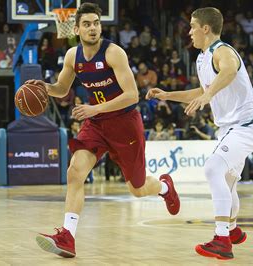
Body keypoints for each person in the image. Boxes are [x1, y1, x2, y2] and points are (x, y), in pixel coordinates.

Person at [26, 3, 180, 258]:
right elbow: (62, 89)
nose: (93, 28)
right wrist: (43, 87)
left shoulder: (114, 53)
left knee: (137, 189)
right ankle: (68, 236)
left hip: (125, 124)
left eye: (96, 23)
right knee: (75, 172)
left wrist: (95, 109)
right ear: (75, 29)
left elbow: (132, 96)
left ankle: (164, 187)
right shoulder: (73, 56)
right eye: (86, 24)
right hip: (96, 125)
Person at [146, 7, 253, 260]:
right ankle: (232, 231)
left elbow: (229, 71)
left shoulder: (222, 51)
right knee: (229, 182)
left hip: (245, 126)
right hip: (229, 129)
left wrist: (208, 95)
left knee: (212, 169)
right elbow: (200, 91)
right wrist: (167, 95)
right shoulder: (202, 58)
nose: (189, 32)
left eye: (192, 26)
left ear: (206, 29)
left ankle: (221, 239)